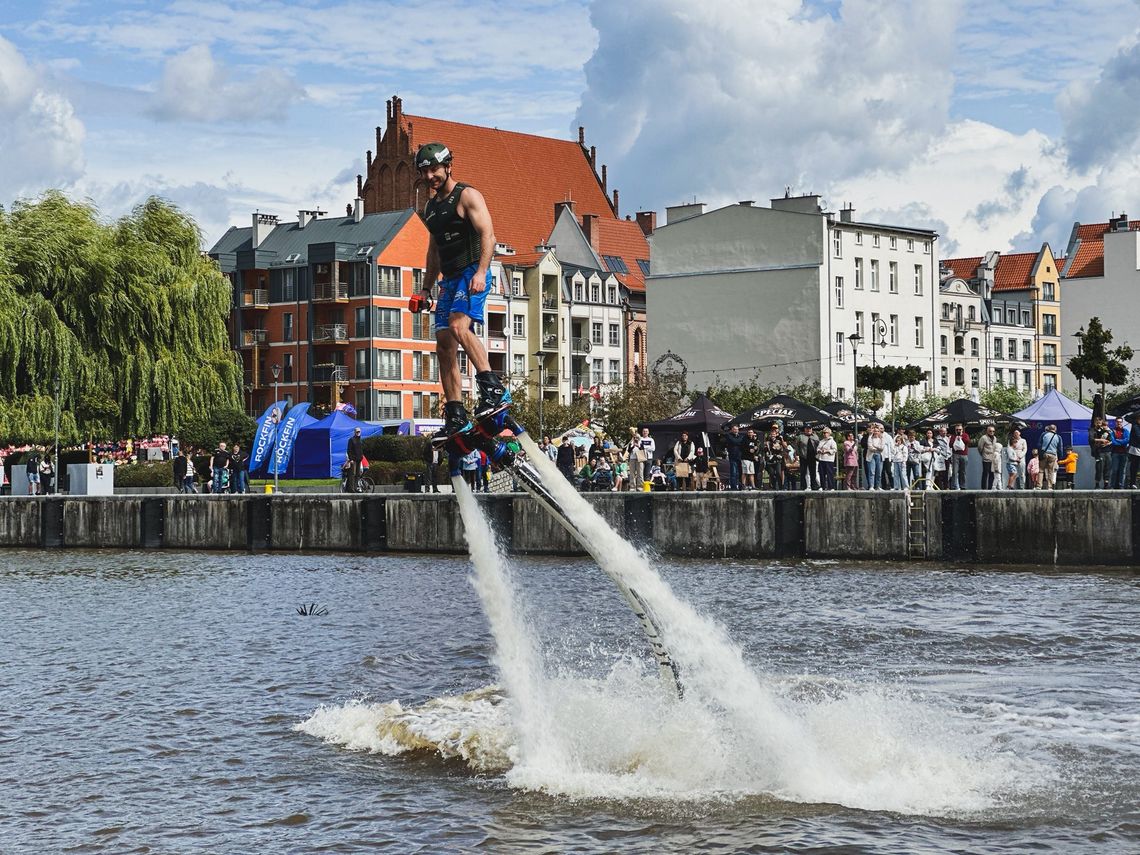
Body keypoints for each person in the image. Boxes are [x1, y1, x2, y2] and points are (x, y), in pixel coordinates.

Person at [414, 141, 509, 438]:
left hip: (471, 272)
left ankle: (492, 387)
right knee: (443, 344)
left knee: (457, 325)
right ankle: (456, 412)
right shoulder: (430, 209)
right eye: (425, 172)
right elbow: (434, 251)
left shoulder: (466, 196)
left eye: (434, 170)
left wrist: (481, 272)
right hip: (449, 278)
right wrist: (426, 289)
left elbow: (488, 236)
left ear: (448, 167)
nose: (430, 177)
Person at [1037, 423, 1062, 490]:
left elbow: (1039, 445)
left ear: (1049, 429)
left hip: (1044, 454)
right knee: (1050, 471)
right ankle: (1049, 487)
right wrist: (1060, 457)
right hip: (1053, 455)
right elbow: (1060, 448)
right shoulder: (1058, 437)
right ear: (1055, 429)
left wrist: (1040, 454)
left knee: (1041, 470)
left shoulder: (1044, 434)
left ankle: (1039, 486)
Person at [1089, 417, 1112, 489]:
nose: (1099, 424)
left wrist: (1108, 443)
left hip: (1107, 451)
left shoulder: (1105, 430)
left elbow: (1111, 439)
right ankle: (1097, 484)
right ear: (1095, 423)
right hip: (1099, 452)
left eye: (1100, 422)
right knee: (1099, 468)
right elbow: (1091, 439)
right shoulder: (1092, 430)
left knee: (1107, 467)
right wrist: (1101, 440)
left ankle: (1106, 484)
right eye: (1097, 422)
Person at [796, 425, 820, 491]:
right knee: (803, 472)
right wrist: (799, 454)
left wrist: (817, 454)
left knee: (813, 472)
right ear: (804, 429)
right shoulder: (800, 436)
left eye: (810, 428)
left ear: (811, 429)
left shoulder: (815, 436)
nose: (808, 430)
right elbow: (797, 446)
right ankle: (803, 486)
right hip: (803, 457)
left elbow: (818, 445)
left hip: (813, 457)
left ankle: (814, 486)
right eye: (807, 429)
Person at [723, 424, 746, 490]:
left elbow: (739, 442)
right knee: (733, 472)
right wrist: (738, 442)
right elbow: (734, 441)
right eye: (734, 429)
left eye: (736, 429)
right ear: (732, 430)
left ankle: (740, 486)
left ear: (738, 430)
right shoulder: (728, 435)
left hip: (740, 456)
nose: (735, 430)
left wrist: (737, 441)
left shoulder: (741, 436)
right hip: (732, 456)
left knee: (740, 472)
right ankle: (734, 487)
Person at [1109, 420, 1130, 488]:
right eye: (1117, 422)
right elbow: (1113, 442)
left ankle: (1121, 486)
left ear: (1122, 423)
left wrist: (1118, 440)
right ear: (1115, 422)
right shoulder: (1112, 431)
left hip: (1124, 453)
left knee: (1122, 471)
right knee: (1114, 470)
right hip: (1115, 453)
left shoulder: (1125, 431)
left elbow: (1127, 440)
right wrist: (1121, 442)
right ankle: (1112, 485)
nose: (1119, 423)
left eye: (1120, 422)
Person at [978, 425, 999, 490]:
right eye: (990, 431)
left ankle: (990, 488)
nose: (992, 432)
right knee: (985, 473)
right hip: (986, 458)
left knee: (992, 474)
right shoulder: (983, 438)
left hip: (992, 458)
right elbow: (980, 447)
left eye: (993, 431)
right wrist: (983, 454)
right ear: (987, 431)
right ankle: (983, 488)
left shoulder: (995, 438)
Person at [950, 424, 970, 489]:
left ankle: (962, 486)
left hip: (964, 455)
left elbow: (968, 442)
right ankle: (954, 486)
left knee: (963, 471)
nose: (958, 431)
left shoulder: (965, 435)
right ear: (955, 430)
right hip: (955, 455)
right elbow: (950, 445)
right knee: (955, 471)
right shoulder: (953, 436)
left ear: (962, 430)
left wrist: (961, 438)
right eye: (957, 430)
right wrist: (956, 439)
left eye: (960, 429)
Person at [865, 424, 885, 490]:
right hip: (871, 455)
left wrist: (875, 447)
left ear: (879, 432)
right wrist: (876, 448)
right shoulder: (870, 437)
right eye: (875, 431)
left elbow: (882, 447)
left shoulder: (881, 438)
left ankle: (878, 486)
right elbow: (870, 447)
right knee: (872, 471)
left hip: (879, 455)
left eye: (877, 431)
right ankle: (871, 486)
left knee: (879, 472)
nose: (876, 432)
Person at [765, 426, 786, 490]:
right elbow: (765, 450)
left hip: (778, 460)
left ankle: (780, 487)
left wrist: (782, 440)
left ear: (776, 434)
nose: (773, 435)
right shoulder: (767, 441)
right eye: (772, 434)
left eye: (774, 434)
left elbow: (785, 448)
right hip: (770, 460)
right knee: (771, 474)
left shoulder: (779, 441)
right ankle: (773, 487)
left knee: (779, 473)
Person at [345, 427, 364, 493]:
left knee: (358, 474)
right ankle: (351, 488)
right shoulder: (351, 440)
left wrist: (361, 457)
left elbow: (361, 450)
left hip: (359, 459)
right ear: (354, 432)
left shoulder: (360, 440)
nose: (358, 433)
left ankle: (355, 488)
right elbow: (349, 450)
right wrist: (351, 459)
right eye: (357, 432)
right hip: (354, 460)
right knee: (352, 474)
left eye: (359, 432)